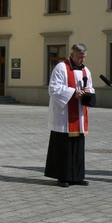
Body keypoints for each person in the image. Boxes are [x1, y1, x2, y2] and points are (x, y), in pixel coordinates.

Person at [44, 43, 95, 187]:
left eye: (84, 57)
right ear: (72, 55)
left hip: (79, 114)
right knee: (63, 147)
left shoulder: (86, 70)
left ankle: (77, 176)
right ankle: (63, 176)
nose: (82, 60)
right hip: (64, 115)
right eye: (80, 57)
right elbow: (53, 88)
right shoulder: (61, 67)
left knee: (78, 146)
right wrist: (73, 92)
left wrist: (87, 92)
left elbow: (90, 87)